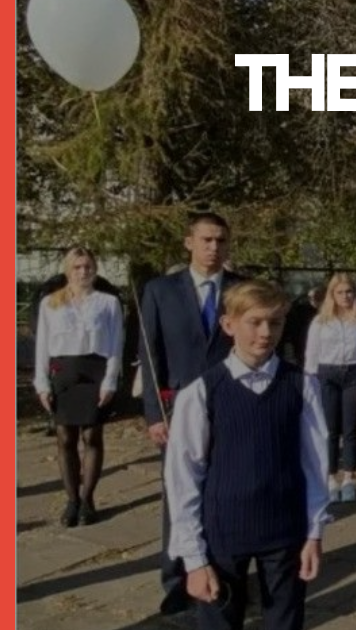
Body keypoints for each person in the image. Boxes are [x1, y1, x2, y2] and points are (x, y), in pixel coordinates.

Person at [164, 279, 330, 630]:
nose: (266, 333)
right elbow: (183, 476)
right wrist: (193, 558)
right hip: (222, 533)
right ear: (228, 324)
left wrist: (314, 532)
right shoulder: (202, 392)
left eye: (275, 322)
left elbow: (315, 463)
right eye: (255, 322)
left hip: (285, 531)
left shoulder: (302, 385)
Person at [138, 211, 246, 616]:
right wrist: (154, 413)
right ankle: (176, 581)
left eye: (221, 240)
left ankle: (223, 571)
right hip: (178, 408)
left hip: (230, 405)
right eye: (206, 240)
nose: (214, 247)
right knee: (179, 493)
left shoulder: (241, 288)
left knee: (225, 490)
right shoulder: (160, 291)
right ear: (189, 243)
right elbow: (150, 355)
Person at [33, 247, 125, 527]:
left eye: (88, 266)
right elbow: (42, 345)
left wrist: (110, 380)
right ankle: (72, 499)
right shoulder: (50, 302)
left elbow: (116, 344)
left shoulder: (108, 302)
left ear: (95, 269)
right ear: (67, 270)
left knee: (92, 436)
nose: (83, 272)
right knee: (65, 438)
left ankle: (88, 499)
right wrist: (41, 382)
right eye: (77, 267)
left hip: (95, 371)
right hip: (63, 373)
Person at [305, 273, 356, 503]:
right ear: (332, 295)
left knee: (350, 429)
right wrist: (310, 386)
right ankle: (330, 477)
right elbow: (311, 355)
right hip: (327, 375)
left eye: (349, 291)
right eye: (340, 292)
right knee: (329, 430)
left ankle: (349, 477)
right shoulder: (321, 321)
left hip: (354, 375)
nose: (345, 296)